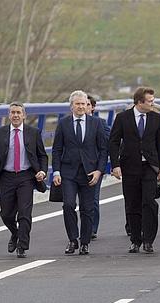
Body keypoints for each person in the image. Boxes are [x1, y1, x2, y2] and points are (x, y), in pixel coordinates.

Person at [109, 87, 160, 253]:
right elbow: (113, 142)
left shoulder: (156, 118)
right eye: (150, 101)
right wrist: (115, 165)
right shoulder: (123, 118)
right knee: (132, 204)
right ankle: (135, 239)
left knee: (149, 202)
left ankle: (149, 240)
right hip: (129, 167)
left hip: (150, 167)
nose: (153, 103)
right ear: (139, 102)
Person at [0, 102, 48, 258]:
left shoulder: (33, 132)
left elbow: (42, 155)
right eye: (12, 112)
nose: (15, 115)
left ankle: (22, 245)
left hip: (26, 176)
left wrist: (42, 171)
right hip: (6, 177)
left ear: (24, 115)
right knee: (6, 214)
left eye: (18, 112)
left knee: (24, 213)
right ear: (9, 115)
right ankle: (15, 233)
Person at [52, 90, 108, 255]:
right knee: (68, 205)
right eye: (77, 104)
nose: (81, 107)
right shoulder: (63, 124)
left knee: (87, 208)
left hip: (90, 172)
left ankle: (85, 242)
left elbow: (103, 150)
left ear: (87, 105)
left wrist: (99, 171)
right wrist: (56, 171)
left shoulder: (96, 123)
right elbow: (56, 149)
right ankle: (72, 240)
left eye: (83, 104)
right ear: (72, 106)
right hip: (68, 171)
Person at [87, 95, 110, 240]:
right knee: (78, 201)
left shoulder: (100, 123)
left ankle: (91, 229)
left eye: (88, 104)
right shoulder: (68, 123)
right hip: (75, 167)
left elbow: (107, 144)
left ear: (93, 107)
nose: (84, 107)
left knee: (93, 198)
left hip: (95, 167)